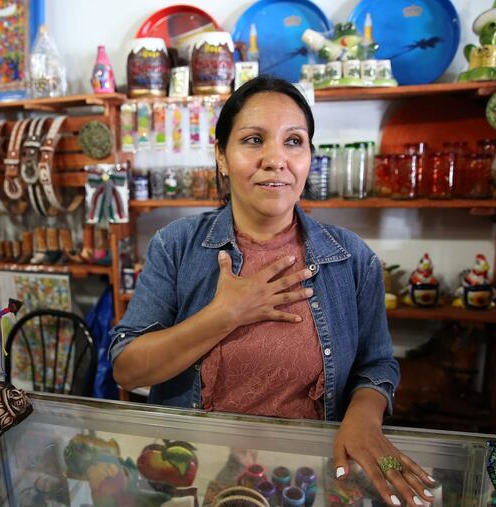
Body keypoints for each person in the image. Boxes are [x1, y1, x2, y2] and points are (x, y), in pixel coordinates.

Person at [110, 77, 435, 507]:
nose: (275, 159)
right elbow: (128, 369)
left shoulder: (352, 258)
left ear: (308, 158)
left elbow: (376, 364)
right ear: (222, 158)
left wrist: (364, 416)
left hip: (304, 477)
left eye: (293, 141)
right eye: (253, 140)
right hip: (197, 472)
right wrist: (225, 314)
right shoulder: (177, 246)